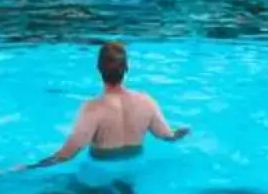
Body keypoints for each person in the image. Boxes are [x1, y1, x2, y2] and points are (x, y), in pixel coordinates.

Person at [27, 41, 192, 171]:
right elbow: (167, 136)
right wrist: (183, 131)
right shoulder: (146, 101)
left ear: (99, 69)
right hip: (134, 166)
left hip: (100, 170)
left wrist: (30, 167)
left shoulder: (92, 108)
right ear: (126, 68)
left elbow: (67, 154)